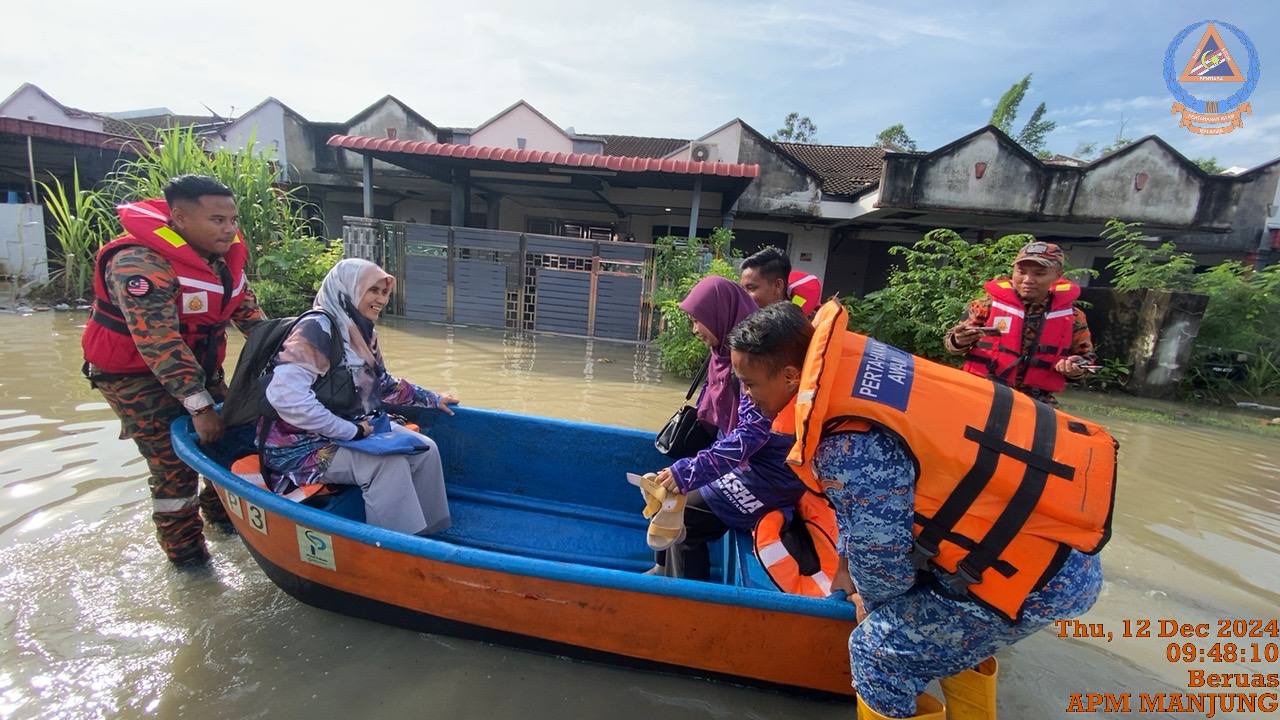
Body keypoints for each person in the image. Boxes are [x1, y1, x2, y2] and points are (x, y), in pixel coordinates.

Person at [727, 302, 1113, 720]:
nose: (746, 396)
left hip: (1036, 578)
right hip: (1055, 549)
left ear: (789, 377)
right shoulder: (865, 372)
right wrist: (845, 567)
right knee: (934, 629)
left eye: (749, 385)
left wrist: (868, 604)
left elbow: (883, 565)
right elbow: (865, 513)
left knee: (877, 653)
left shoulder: (846, 445)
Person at [82, 175, 266, 566]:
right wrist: (199, 408)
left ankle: (225, 525)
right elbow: (159, 342)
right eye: (217, 220)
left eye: (233, 219)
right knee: (173, 469)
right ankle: (189, 563)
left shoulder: (222, 260)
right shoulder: (138, 263)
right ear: (179, 218)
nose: (230, 229)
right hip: (136, 379)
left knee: (232, 445)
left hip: (199, 369)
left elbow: (252, 318)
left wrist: (300, 354)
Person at [259, 258, 457, 536]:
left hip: (351, 431)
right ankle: (397, 553)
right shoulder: (316, 329)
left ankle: (432, 538)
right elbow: (286, 398)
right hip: (300, 447)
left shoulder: (362, 331)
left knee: (425, 449)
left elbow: (384, 385)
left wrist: (433, 399)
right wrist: (349, 431)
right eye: (372, 290)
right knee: (387, 465)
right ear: (348, 288)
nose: (381, 299)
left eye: (384, 293)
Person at [649, 276, 807, 579]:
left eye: (699, 320)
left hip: (770, 473)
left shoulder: (759, 363)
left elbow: (749, 434)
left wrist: (691, 471)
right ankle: (665, 575)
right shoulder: (733, 357)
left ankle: (690, 605)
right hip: (751, 462)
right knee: (671, 502)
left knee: (683, 519)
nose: (695, 329)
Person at [944, 241, 1095, 404]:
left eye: (1039, 274)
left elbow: (1087, 360)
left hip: (1036, 400)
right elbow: (951, 345)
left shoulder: (1073, 317)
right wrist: (958, 340)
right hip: (982, 391)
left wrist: (1075, 368)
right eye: (1021, 272)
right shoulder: (985, 305)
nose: (1028, 280)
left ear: (1058, 275)